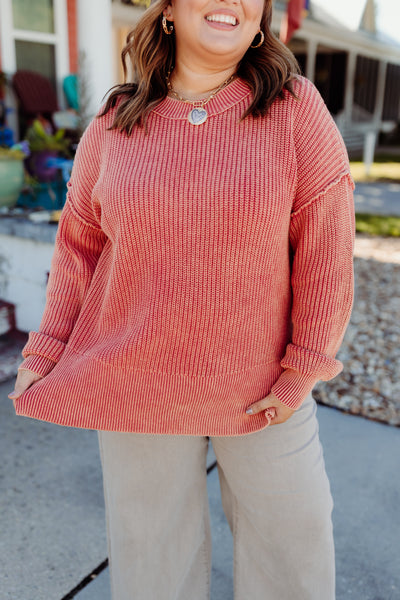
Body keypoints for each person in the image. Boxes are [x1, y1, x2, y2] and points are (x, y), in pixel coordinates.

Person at [9, 0, 355, 598]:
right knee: (151, 561)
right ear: (168, 10)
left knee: (294, 547)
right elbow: (79, 249)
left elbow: (326, 248)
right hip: (134, 379)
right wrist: (45, 353)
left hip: (263, 386)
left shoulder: (294, 110)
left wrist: (302, 366)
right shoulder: (117, 119)